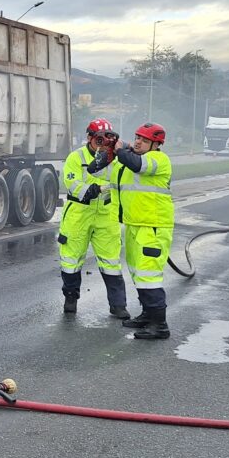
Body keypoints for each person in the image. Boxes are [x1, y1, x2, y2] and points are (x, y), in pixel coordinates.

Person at [93, 122, 175, 340]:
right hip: (135, 225)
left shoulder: (158, 160)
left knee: (149, 276)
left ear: (156, 145)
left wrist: (121, 149)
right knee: (139, 274)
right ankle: (148, 315)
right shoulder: (132, 158)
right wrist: (109, 150)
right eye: (137, 137)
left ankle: (160, 325)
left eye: (145, 140)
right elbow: (101, 169)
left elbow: (136, 164)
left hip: (153, 227)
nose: (139, 141)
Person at [58, 118, 128, 318]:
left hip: (106, 215)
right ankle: (70, 298)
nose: (102, 143)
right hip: (78, 214)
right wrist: (94, 189)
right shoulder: (75, 157)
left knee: (111, 262)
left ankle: (118, 305)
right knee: (71, 259)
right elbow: (73, 184)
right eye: (98, 139)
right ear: (89, 137)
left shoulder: (115, 158)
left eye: (106, 139)